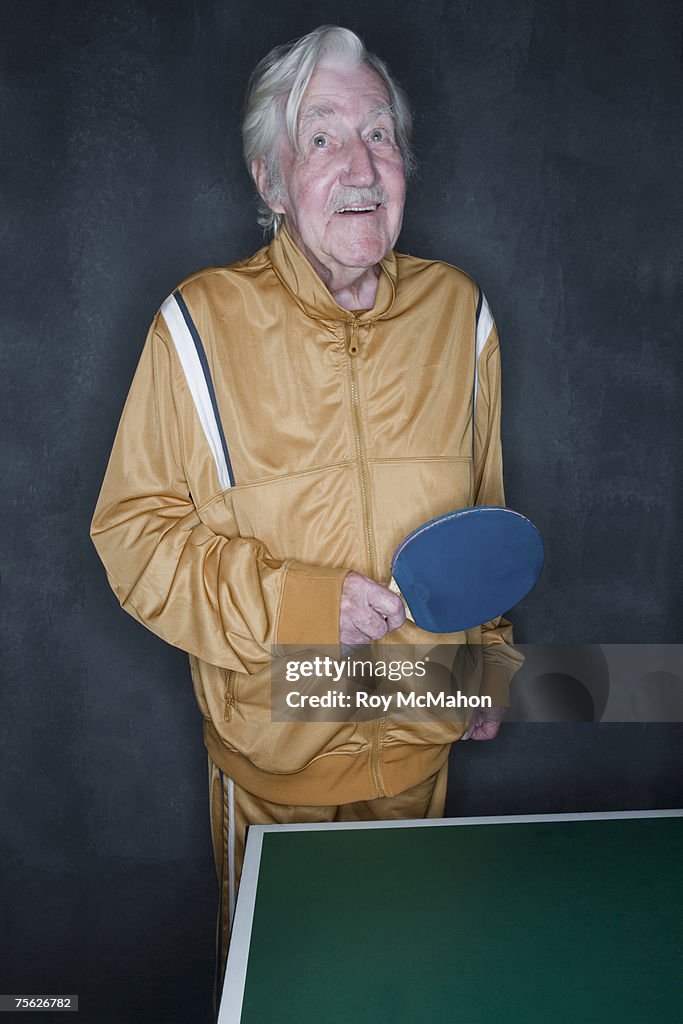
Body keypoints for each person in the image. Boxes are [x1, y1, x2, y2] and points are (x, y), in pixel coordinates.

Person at [90, 25, 523, 972]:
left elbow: (482, 518)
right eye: (321, 137)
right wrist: (301, 605)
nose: (361, 165)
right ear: (270, 181)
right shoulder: (194, 326)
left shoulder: (462, 315)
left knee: (410, 980)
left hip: (420, 745)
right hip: (274, 769)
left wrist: (485, 656)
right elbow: (134, 536)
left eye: (381, 134)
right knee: (294, 985)